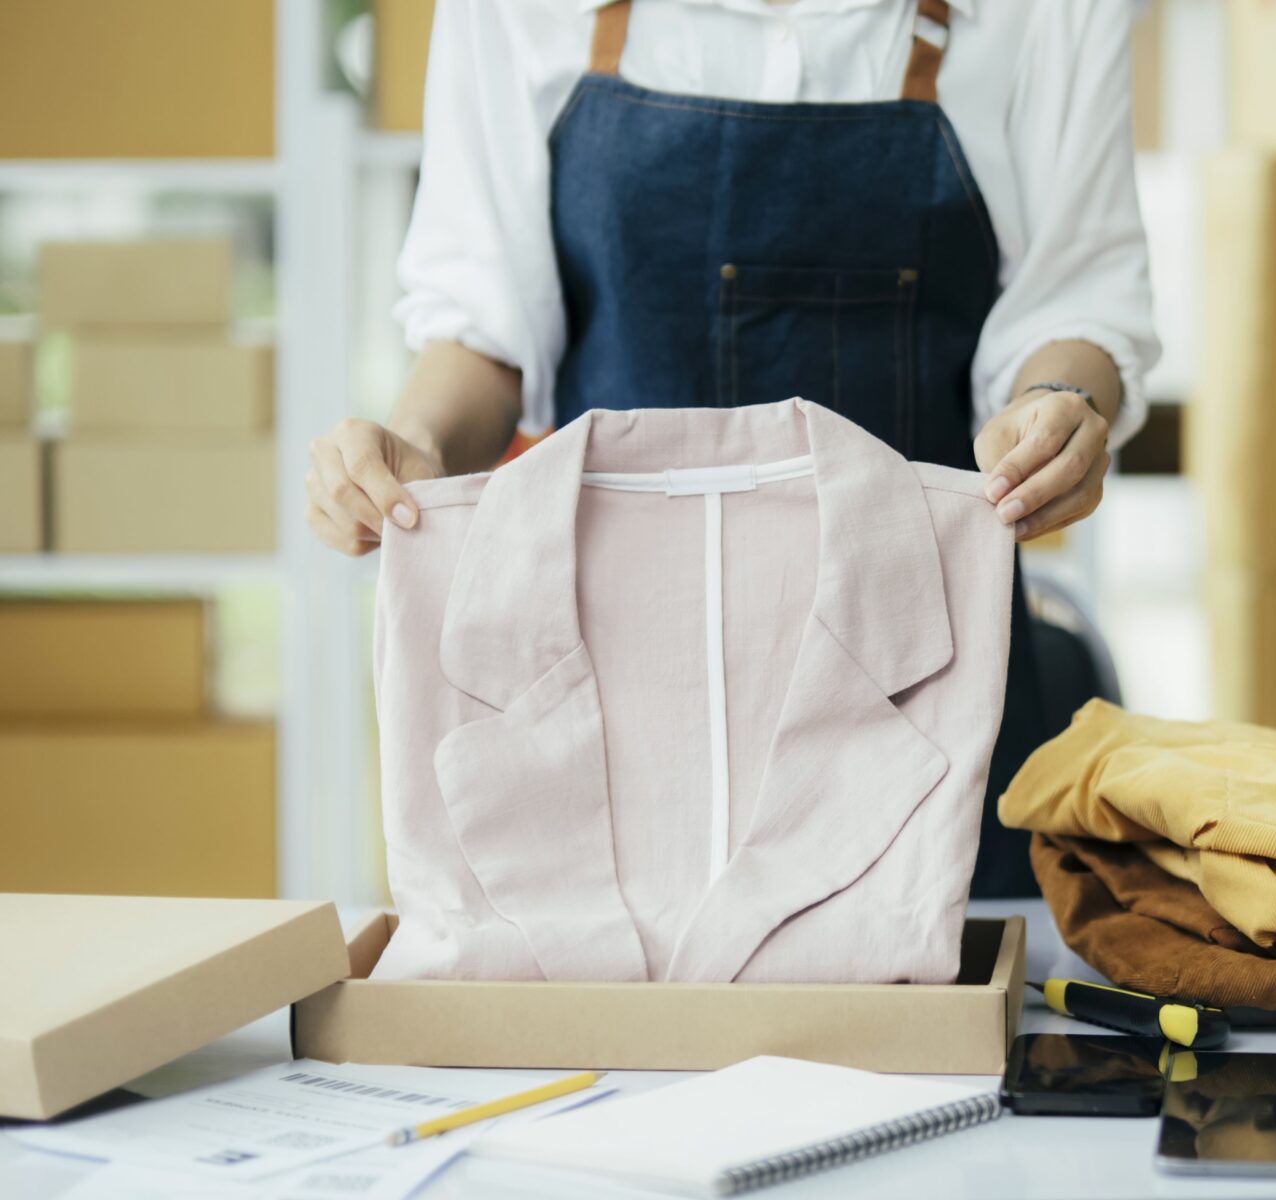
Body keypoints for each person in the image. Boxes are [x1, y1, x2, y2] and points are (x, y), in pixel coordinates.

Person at [305, 0, 1160, 896]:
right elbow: (485, 332)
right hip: (605, 697)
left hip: (923, 693)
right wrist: (418, 447)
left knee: (934, 993)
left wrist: (1055, 404)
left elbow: (1078, 299)